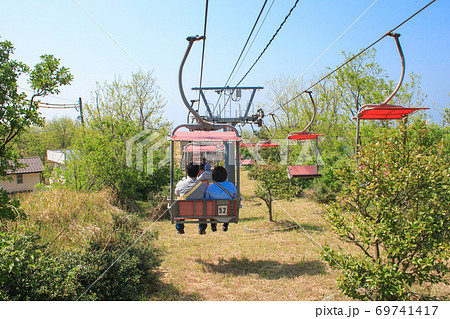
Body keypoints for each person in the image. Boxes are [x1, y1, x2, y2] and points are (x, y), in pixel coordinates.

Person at [175, 163, 208, 234]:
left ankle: (180, 229)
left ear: (186, 172)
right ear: (198, 173)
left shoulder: (180, 183)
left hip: (183, 211)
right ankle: (202, 229)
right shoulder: (203, 185)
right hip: (199, 211)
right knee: (203, 205)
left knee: (179, 203)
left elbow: (176, 193)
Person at [205, 166, 237, 232]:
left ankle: (213, 225)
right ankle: (225, 225)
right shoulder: (231, 185)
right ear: (226, 175)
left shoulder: (210, 187)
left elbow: (206, 200)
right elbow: (235, 198)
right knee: (228, 205)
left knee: (212, 206)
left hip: (214, 215)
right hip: (229, 215)